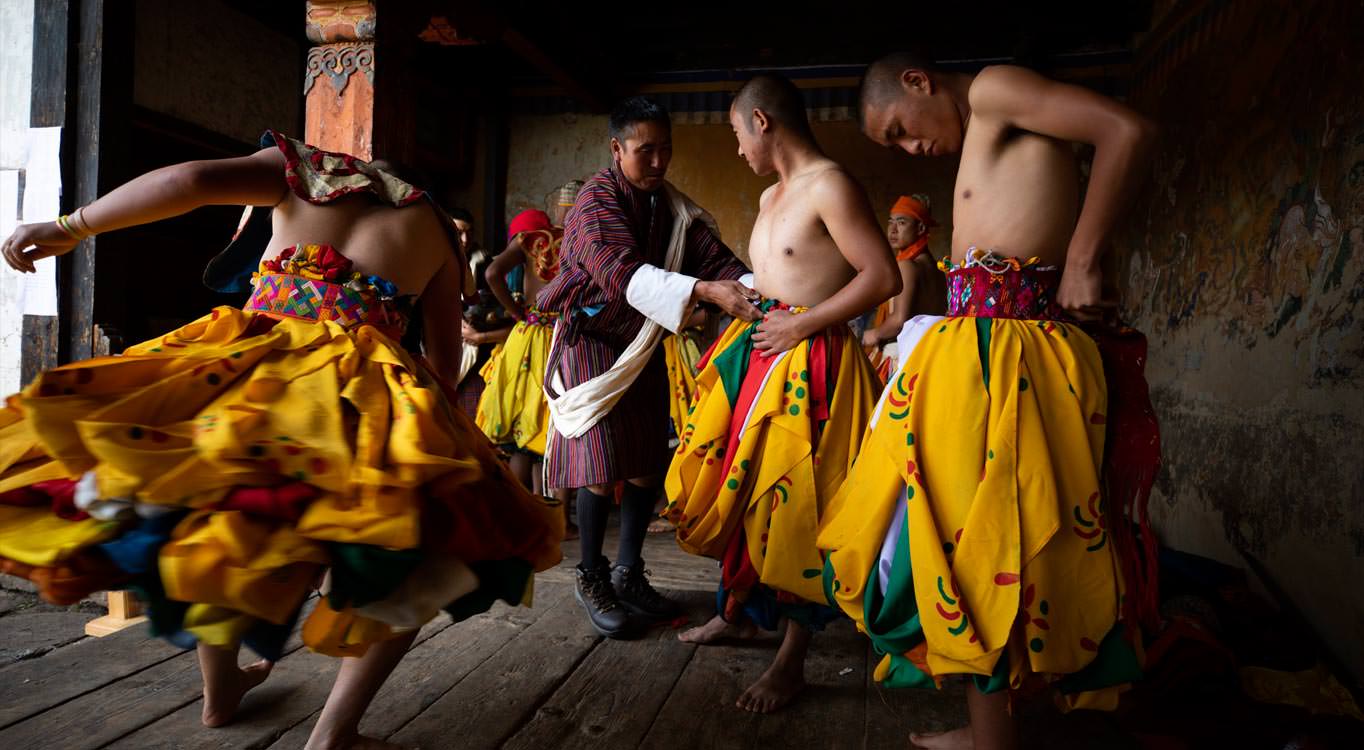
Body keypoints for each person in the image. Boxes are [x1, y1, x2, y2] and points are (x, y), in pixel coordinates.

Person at [0, 132, 563, 750]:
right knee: (425, 556)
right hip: (361, 385)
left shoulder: (304, 170)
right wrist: (449, 436)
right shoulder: (434, 228)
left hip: (255, 362)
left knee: (226, 519)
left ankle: (219, 692)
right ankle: (332, 733)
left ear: (360, 169)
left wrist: (67, 227)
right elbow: (443, 353)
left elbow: (187, 181)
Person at [817, 52, 1160, 749]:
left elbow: (1126, 130)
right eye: (899, 147)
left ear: (918, 81)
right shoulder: (987, 129)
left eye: (901, 131)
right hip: (981, 356)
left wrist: (1088, 256)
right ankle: (990, 729)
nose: (913, 149)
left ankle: (994, 738)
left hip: (1012, 355)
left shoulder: (998, 88)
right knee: (971, 539)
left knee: (996, 541)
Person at [663, 74, 899, 713]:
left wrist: (802, 322)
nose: (738, 149)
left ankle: (793, 661)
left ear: (762, 122)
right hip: (757, 358)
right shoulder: (770, 196)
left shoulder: (831, 184)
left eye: (738, 134)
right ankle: (737, 612)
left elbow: (882, 275)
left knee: (797, 509)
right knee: (740, 493)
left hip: (812, 363)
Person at [535, 96, 761, 638]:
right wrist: (706, 291)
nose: (658, 162)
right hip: (590, 342)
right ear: (617, 150)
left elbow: (717, 259)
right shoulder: (594, 203)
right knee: (601, 464)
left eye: (666, 150)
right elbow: (621, 274)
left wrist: (768, 293)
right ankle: (591, 576)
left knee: (642, 463)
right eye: (645, 151)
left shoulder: (672, 208)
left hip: (641, 342)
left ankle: (630, 574)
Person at [478, 181, 584, 538]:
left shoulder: (533, 238)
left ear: (555, 208)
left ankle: (523, 515)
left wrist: (518, 313)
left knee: (524, 428)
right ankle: (559, 520)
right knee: (558, 427)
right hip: (564, 338)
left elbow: (492, 273)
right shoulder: (586, 243)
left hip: (528, 337)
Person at [860, 194, 945, 382]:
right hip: (928, 357)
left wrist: (869, 335)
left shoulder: (907, 266)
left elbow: (899, 321)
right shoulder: (940, 274)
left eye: (901, 222)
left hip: (900, 357)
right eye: (890, 221)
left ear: (921, 228)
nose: (892, 229)